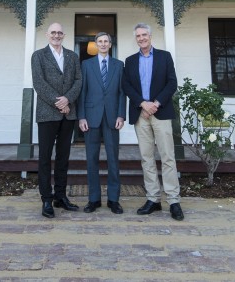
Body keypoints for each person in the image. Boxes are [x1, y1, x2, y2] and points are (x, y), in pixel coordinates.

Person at [122, 22, 183, 221]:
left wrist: (155, 103)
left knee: (167, 157)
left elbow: (172, 82)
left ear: (150, 36)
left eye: (144, 35)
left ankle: (173, 200)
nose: (141, 38)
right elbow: (127, 86)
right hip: (141, 115)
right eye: (138, 36)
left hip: (161, 112)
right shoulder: (130, 61)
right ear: (136, 39)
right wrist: (142, 104)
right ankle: (153, 200)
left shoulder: (164, 57)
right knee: (146, 158)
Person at [31, 22, 83, 218]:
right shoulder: (38, 56)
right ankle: (46, 199)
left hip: (68, 113)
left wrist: (68, 99)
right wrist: (59, 102)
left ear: (64, 35)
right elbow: (38, 82)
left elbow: (79, 80)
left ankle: (60, 196)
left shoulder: (72, 56)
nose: (56, 35)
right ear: (47, 35)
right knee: (45, 158)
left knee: (63, 157)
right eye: (53, 32)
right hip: (47, 114)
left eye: (60, 32)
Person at [78, 32, 126, 214]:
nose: (103, 44)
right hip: (91, 118)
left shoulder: (119, 65)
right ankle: (94, 199)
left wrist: (121, 115)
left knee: (113, 160)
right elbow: (82, 92)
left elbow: (122, 92)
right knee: (92, 160)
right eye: (100, 41)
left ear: (111, 44)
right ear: (96, 44)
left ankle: (114, 200)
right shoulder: (86, 65)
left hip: (113, 118)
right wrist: (81, 117)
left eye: (106, 41)